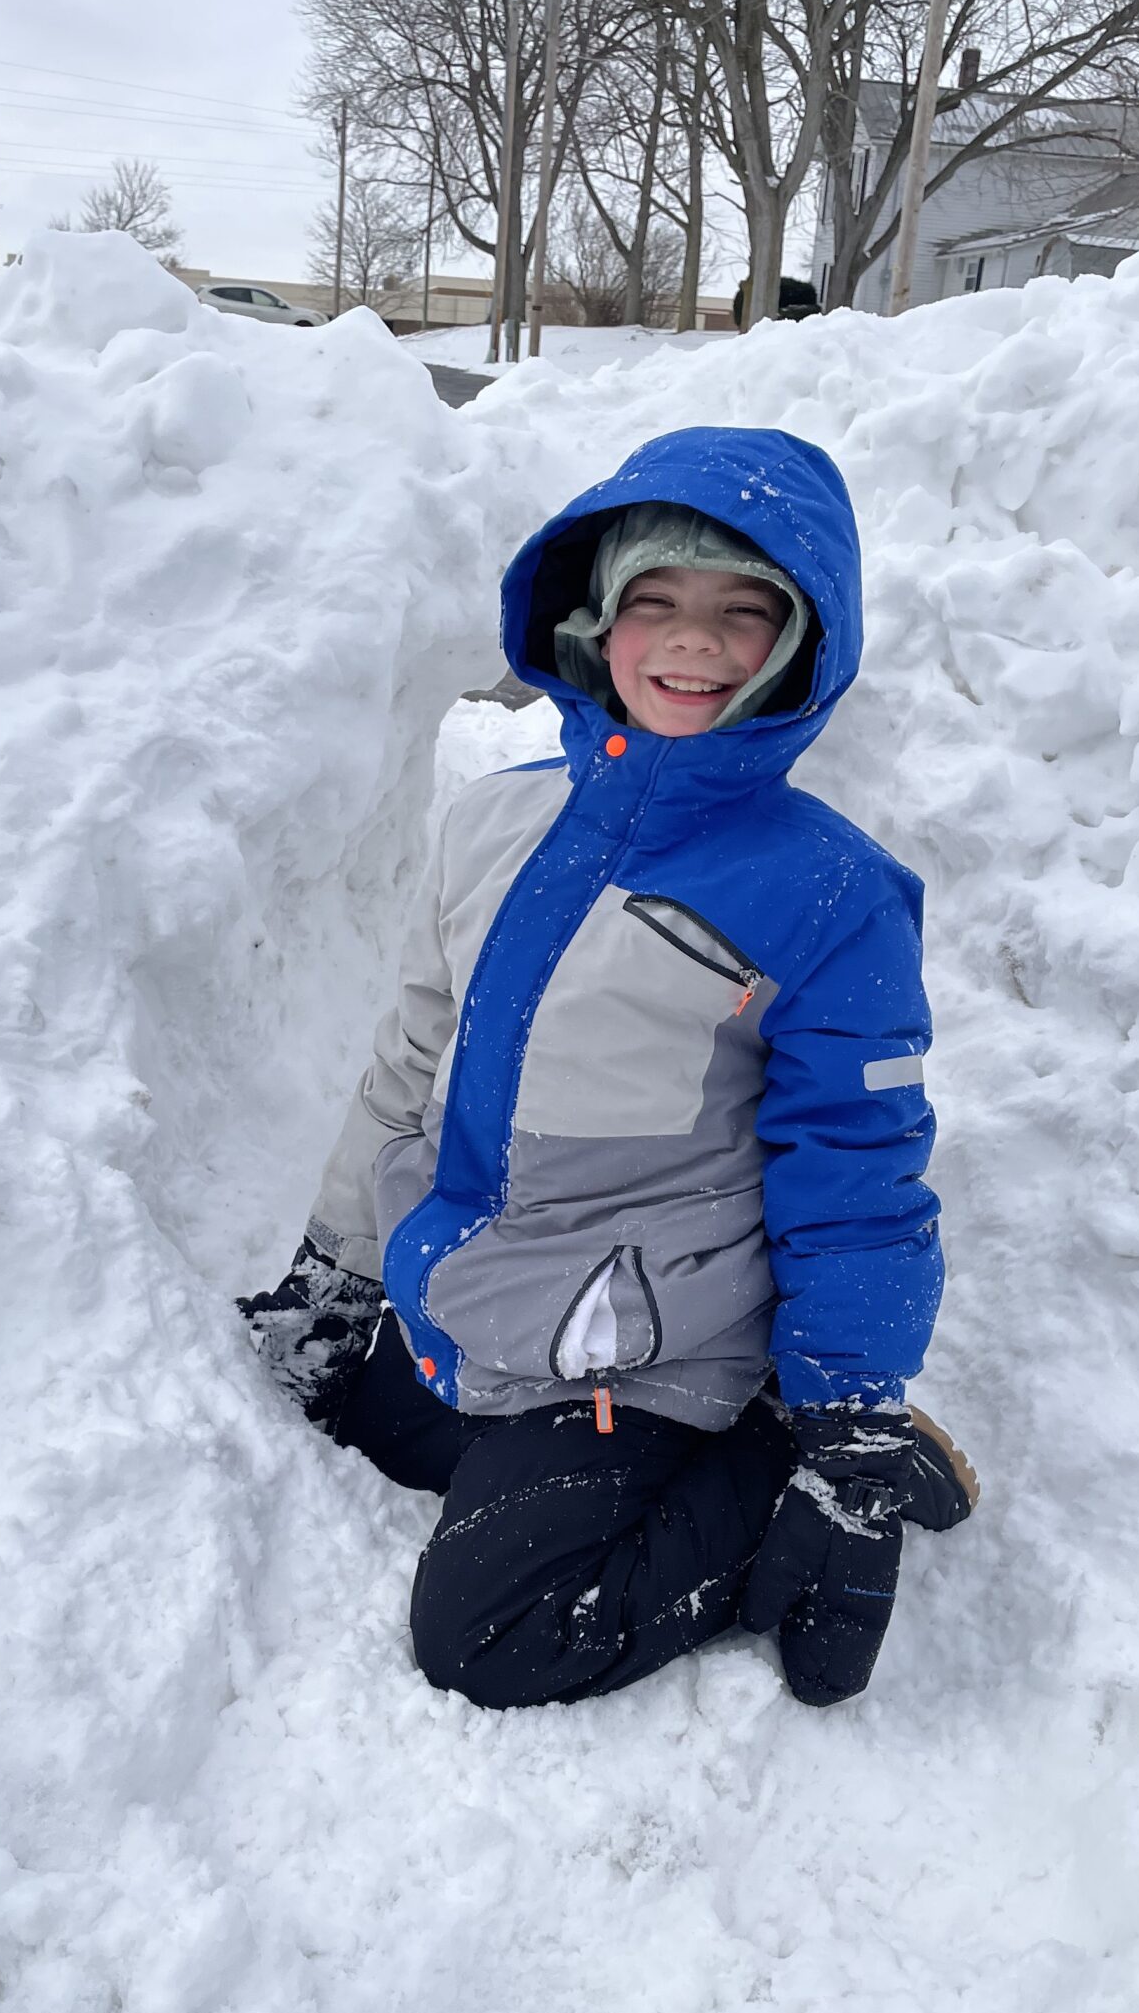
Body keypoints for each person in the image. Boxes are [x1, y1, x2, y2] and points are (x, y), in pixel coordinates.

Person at [241, 425, 976, 1712]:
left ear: (801, 641)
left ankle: (768, 1452)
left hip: (643, 1339)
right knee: (350, 1421)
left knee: (490, 1633)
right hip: (480, 1289)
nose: (695, 642)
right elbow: (408, 1062)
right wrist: (338, 1269)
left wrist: (849, 1423)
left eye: (744, 611)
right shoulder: (494, 820)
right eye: (657, 601)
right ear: (594, 616)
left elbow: (855, 1177)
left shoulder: (831, 894)